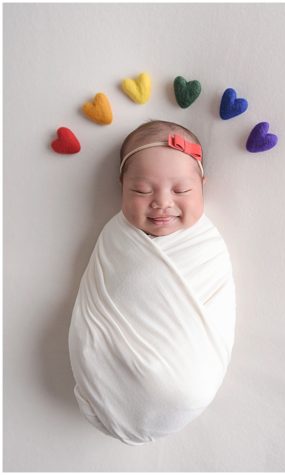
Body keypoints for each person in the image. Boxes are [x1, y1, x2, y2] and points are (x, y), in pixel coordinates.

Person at [68, 120, 236, 445]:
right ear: (122, 187)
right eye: (142, 191)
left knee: (189, 386)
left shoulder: (207, 245)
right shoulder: (115, 237)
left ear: (202, 185)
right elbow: (100, 299)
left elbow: (219, 306)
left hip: (187, 376)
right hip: (107, 370)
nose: (162, 203)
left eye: (181, 191)